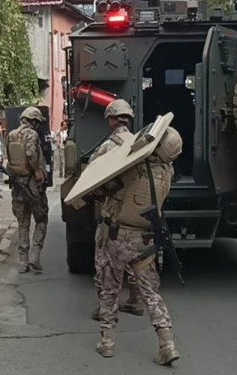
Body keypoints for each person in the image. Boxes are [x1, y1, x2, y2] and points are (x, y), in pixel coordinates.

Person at [95, 126, 183, 365]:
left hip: (115, 236)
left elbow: (101, 185)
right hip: (144, 240)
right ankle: (167, 344)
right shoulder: (167, 173)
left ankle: (107, 343)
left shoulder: (132, 166)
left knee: (110, 288)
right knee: (151, 293)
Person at [90, 99, 144, 321]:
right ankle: (135, 300)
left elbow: (92, 175)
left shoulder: (107, 147)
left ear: (111, 120)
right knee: (134, 258)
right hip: (136, 209)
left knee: (104, 260)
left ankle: (105, 308)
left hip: (112, 211)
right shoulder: (140, 143)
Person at [5, 107, 49, 273]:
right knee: (41, 218)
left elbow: (9, 158)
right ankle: (35, 256)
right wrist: (37, 169)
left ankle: (23, 262)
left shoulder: (11, 135)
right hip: (32, 186)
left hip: (18, 186)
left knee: (23, 223)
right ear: (34, 121)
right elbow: (31, 154)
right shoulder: (32, 134)